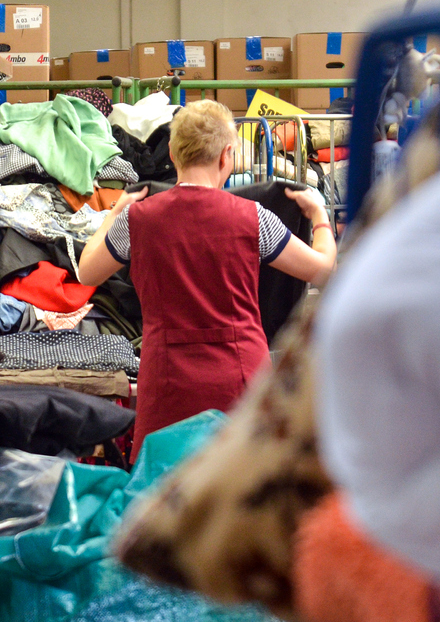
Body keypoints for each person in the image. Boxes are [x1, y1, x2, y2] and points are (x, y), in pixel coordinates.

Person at [77, 99, 337, 458]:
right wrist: (320, 216)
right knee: (245, 492)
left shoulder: (136, 220)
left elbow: (85, 271)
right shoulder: (254, 218)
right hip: (241, 377)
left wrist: (114, 213)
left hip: (168, 383)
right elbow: (324, 270)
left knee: (160, 488)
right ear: (227, 155)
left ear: (171, 150)